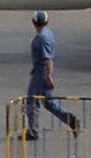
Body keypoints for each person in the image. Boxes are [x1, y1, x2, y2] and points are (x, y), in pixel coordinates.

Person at [25, 10, 79, 140]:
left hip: (41, 73)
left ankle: (33, 132)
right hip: (41, 70)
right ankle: (69, 118)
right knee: (47, 102)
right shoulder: (48, 33)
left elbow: (47, 58)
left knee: (32, 101)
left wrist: (48, 76)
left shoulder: (42, 38)